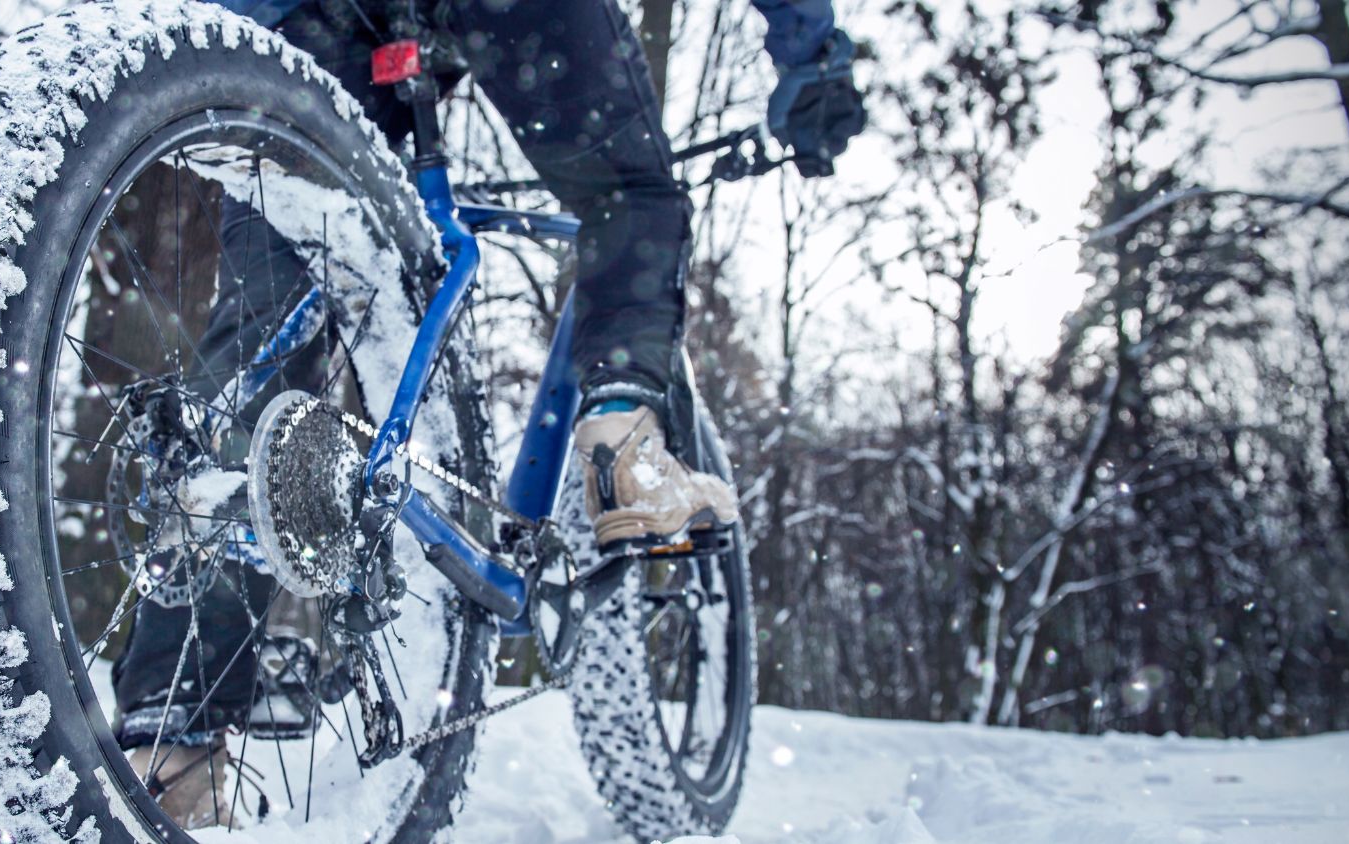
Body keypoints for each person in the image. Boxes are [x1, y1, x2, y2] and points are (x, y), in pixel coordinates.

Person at [112, 0, 869, 826]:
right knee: (629, 194)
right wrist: (813, 61)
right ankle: (621, 431)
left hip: (305, 20)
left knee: (265, 329)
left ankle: (173, 739)